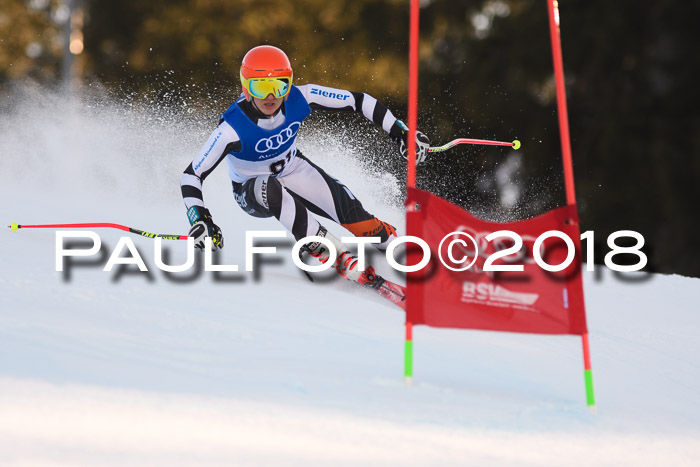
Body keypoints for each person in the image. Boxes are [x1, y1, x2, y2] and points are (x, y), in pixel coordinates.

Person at [181, 45, 430, 286]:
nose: (270, 96)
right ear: (246, 87)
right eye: (261, 86)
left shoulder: (302, 97)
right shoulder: (231, 129)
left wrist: (401, 132)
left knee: (360, 221)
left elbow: (359, 101)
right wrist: (200, 219)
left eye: (279, 85)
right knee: (269, 187)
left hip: (293, 169)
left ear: (289, 84)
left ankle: (408, 255)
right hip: (252, 190)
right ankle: (330, 251)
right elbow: (192, 175)